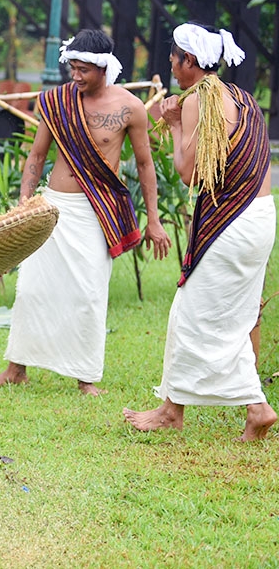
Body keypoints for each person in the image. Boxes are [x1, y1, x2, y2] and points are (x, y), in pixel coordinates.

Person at [0, 29, 171, 396]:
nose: (76, 76)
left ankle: (86, 377)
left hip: (96, 210)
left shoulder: (130, 107)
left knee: (88, 293)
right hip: (53, 206)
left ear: (103, 68)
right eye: (73, 68)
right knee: (32, 288)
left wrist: (155, 220)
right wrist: (24, 203)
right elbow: (37, 155)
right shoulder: (57, 101)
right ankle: (16, 369)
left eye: (84, 70)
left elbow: (145, 164)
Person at [124, 22, 277, 441]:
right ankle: (176, 408)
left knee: (192, 316)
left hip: (232, 221)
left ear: (189, 60)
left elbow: (190, 173)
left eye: (174, 59)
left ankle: (255, 407)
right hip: (260, 217)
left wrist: (174, 122)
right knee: (234, 315)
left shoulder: (197, 101)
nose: (171, 66)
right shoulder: (243, 97)